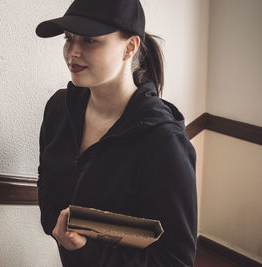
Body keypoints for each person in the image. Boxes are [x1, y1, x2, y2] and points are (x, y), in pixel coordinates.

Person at [35, 0, 198, 266]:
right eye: (68, 39)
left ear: (130, 46)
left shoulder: (164, 142)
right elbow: (46, 178)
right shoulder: (58, 109)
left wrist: (86, 251)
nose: (72, 52)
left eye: (89, 40)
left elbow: (175, 260)